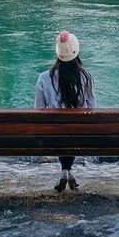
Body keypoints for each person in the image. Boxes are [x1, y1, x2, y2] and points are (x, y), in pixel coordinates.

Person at [35, 30, 96, 192]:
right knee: (73, 131)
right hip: (79, 135)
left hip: (53, 134)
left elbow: (38, 110)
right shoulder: (86, 77)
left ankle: (65, 171)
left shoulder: (43, 78)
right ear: (76, 52)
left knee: (60, 131)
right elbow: (92, 107)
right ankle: (67, 171)